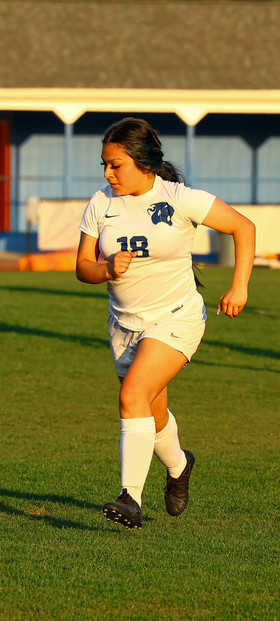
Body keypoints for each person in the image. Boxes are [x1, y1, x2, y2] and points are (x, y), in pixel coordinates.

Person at [75, 117, 255, 528]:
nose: (107, 173)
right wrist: (105, 270)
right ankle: (179, 466)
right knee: (150, 412)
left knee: (131, 397)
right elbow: (82, 267)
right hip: (124, 326)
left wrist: (239, 287)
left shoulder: (179, 198)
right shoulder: (100, 203)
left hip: (176, 318)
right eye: (104, 164)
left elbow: (243, 227)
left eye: (115, 165)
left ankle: (129, 498)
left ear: (144, 162)